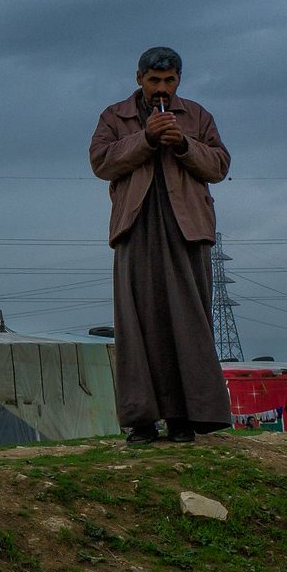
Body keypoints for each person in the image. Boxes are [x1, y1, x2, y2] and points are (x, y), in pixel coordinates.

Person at [89, 46, 233, 445]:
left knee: (187, 324)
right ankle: (141, 421)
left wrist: (184, 144)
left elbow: (219, 166)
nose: (161, 89)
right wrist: (146, 138)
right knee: (137, 323)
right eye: (154, 80)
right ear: (139, 79)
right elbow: (101, 162)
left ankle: (186, 418)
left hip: (187, 229)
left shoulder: (197, 116)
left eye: (169, 81)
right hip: (135, 229)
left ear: (179, 81)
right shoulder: (113, 117)